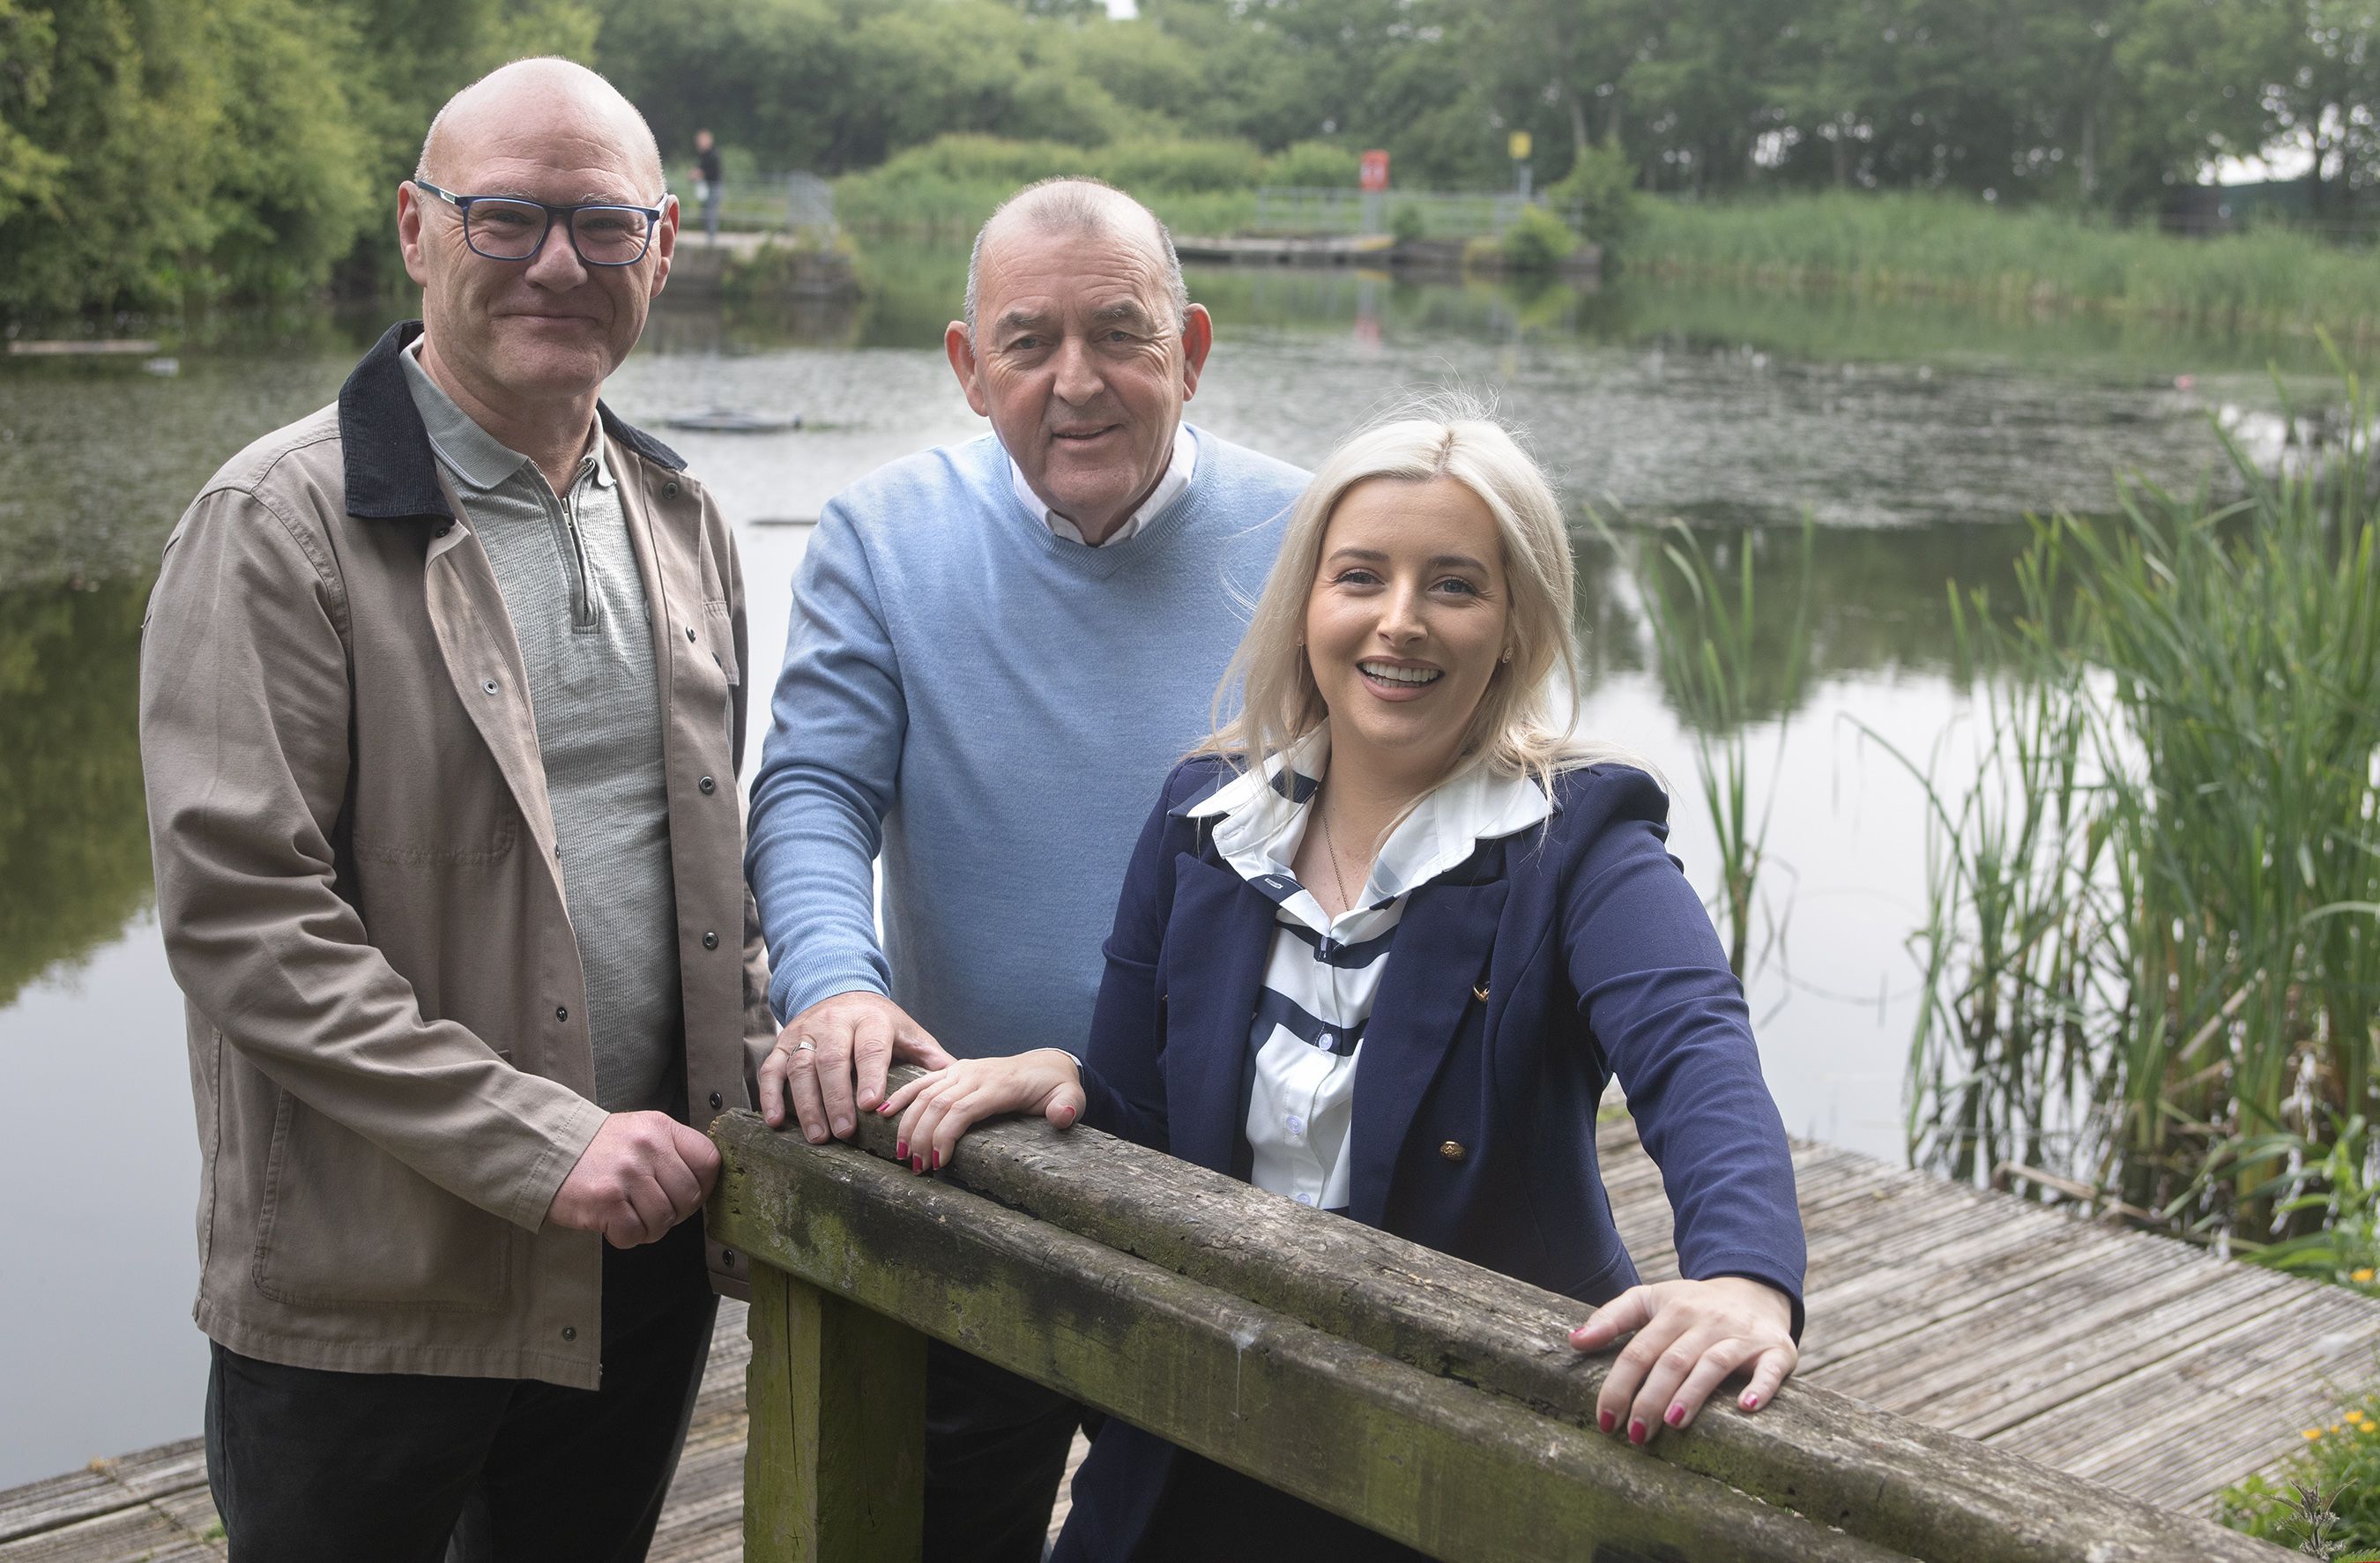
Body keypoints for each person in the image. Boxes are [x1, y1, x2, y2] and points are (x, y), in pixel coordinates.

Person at [881, 401, 1808, 1560]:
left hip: (1482, 1455)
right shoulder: (1202, 820)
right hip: (1202, 1432)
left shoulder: (1582, 843)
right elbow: (1146, 1138)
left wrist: (1744, 1276)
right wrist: (1062, 1075)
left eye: (1456, 584)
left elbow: (1697, 1052)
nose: (1401, 622)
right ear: (1308, 602)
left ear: (1517, 622)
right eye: (1361, 575)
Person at [137, 57, 771, 1563]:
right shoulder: (277, 524)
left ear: (662, 248)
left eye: (603, 227)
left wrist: (784, 1033)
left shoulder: (682, 517)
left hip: (640, 1253)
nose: (559, 263)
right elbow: (245, 922)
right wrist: (542, 1140)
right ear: (418, 229)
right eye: (507, 218)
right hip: (377, 1292)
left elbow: (704, 874)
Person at [745, 177, 1308, 1560]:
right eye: (1028, 342)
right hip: (976, 1157)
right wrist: (831, 985)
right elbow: (816, 789)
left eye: (1120, 333)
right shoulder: (881, 535)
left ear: (1193, 346)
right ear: (965, 367)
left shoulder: (1318, 545)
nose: (1077, 383)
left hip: (1228, 1190)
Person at [690, 128, 722, 242]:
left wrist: (698, 174)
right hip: (708, 188)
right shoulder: (704, 155)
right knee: (706, 212)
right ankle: (709, 235)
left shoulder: (712, 154)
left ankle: (711, 237)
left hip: (713, 187)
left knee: (711, 212)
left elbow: (709, 172)